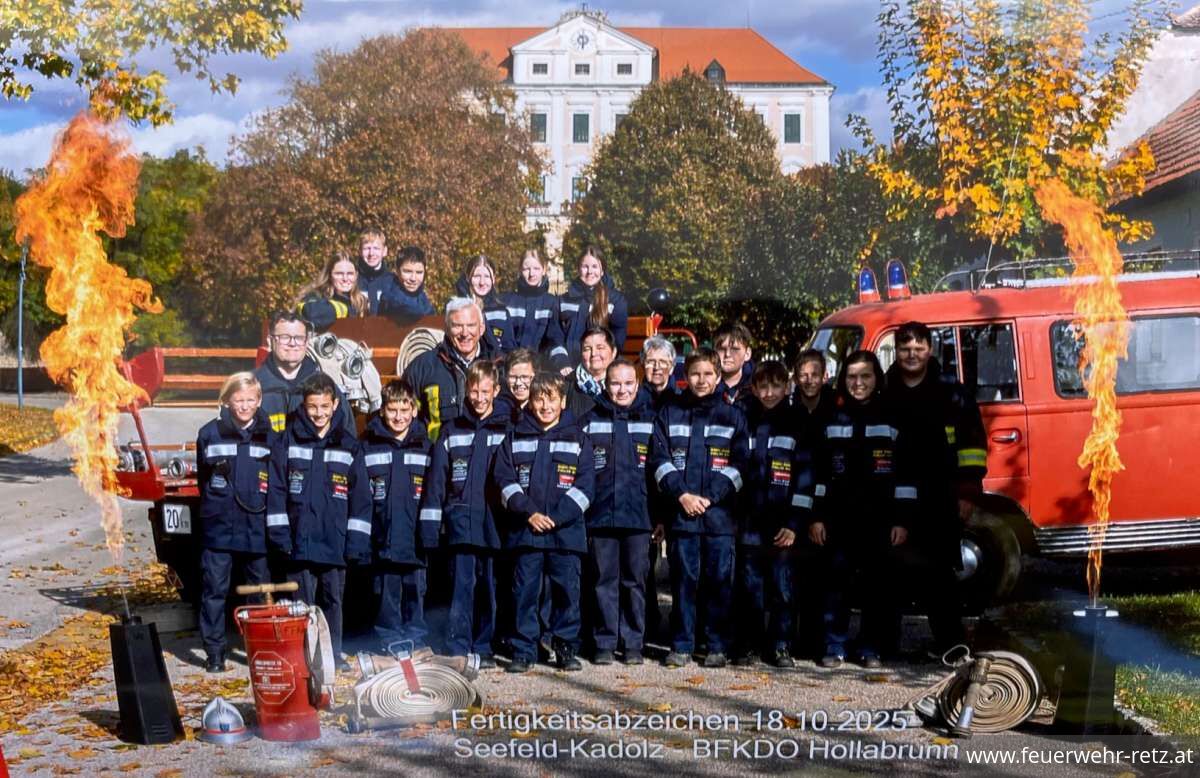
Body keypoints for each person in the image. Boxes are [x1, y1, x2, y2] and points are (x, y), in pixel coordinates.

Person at [882, 321, 988, 657]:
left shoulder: (951, 392)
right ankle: (885, 646)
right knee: (890, 570)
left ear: (930, 349)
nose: (912, 355)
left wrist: (968, 492)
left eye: (918, 348)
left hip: (939, 496)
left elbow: (972, 444)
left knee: (940, 573)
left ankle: (951, 645)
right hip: (893, 497)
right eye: (904, 349)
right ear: (896, 352)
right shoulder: (884, 391)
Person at [807, 350, 917, 669]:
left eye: (865, 376)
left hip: (880, 520)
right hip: (838, 519)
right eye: (852, 377)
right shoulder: (831, 419)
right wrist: (815, 517)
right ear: (843, 380)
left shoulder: (892, 418)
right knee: (835, 586)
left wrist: (902, 520)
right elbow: (817, 473)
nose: (858, 383)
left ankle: (871, 648)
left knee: (876, 587)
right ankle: (834, 646)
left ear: (876, 379)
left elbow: (905, 475)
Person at [650, 347, 749, 668]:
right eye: (695, 373)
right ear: (684, 376)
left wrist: (713, 496)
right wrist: (682, 495)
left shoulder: (733, 416)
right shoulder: (669, 413)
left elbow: (742, 465)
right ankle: (681, 644)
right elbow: (659, 461)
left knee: (719, 582)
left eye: (708, 374)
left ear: (718, 376)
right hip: (682, 517)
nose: (701, 380)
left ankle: (716, 645)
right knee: (683, 582)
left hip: (719, 518)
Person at [267, 373, 370, 670]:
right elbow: (276, 491)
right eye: (313, 407)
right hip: (299, 541)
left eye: (325, 407)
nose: (319, 414)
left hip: (335, 542)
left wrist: (355, 543)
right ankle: (303, 655)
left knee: (333, 602)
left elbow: (360, 499)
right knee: (301, 605)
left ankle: (333, 654)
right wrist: (280, 536)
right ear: (304, 405)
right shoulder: (288, 440)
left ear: (336, 404)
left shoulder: (349, 446)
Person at [493, 373, 595, 673]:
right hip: (527, 533)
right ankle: (524, 649)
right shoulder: (515, 437)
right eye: (539, 398)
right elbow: (504, 480)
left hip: (567, 533)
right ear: (531, 401)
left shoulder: (578, 438)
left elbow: (586, 486)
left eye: (551, 398)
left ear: (562, 401)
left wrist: (558, 517)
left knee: (567, 593)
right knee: (524, 593)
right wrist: (529, 513)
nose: (545, 405)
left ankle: (565, 648)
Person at [420, 360, 510, 665]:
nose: (480, 398)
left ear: (496, 390)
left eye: (486, 391)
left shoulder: (507, 429)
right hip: (460, 523)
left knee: (489, 589)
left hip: (494, 525)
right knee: (461, 588)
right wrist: (431, 529)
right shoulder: (450, 430)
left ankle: (483, 647)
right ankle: (458, 646)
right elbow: (435, 484)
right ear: (465, 391)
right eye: (474, 391)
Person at [195, 372, 277, 673]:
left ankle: (260, 650)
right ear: (227, 400)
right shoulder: (208, 434)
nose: (244, 406)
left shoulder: (270, 437)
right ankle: (214, 653)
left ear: (259, 401)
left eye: (250, 400)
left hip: (256, 527)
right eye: (238, 399)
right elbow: (204, 479)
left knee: (259, 593)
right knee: (214, 591)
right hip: (219, 529)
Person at [580, 358, 655, 665]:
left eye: (627, 383)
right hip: (601, 516)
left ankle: (634, 642)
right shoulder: (588, 420)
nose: (621, 390)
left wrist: (659, 516)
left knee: (635, 581)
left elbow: (656, 471)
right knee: (603, 580)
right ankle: (605, 641)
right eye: (615, 383)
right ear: (604, 385)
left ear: (636, 385)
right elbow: (581, 472)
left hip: (639, 516)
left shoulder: (651, 420)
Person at [732, 361, 802, 668]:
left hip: (782, 525)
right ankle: (750, 645)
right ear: (754, 388)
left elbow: (806, 478)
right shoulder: (743, 419)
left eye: (776, 386)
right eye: (763, 387)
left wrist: (794, 523)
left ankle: (781, 645)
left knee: (783, 589)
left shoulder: (797, 421)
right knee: (750, 589)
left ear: (787, 387)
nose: (769, 393)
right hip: (749, 523)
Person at [361, 379, 435, 652]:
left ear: (415, 410)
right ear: (382, 411)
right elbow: (362, 495)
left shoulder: (426, 446)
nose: (398, 417)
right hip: (384, 533)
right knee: (387, 592)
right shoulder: (368, 446)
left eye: (405, 410)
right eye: (392, 410)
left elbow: (433, 492)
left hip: (415, 536)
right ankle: (389, 639)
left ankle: (415, 637)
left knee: (416, 589)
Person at [403, 298, 498, 442]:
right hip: (437, 457)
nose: (465, 333)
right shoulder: (422, 368)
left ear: (482, 328)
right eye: (457, 326)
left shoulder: (498, 365)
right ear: (447, 329)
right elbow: (404, 416)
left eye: (471, 325)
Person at [254, 311, 355, 437]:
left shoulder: (326, 385)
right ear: (270, 340)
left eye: (299, 338)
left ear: (307, 342)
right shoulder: (252, 386)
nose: (292, 343)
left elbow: (347, 436)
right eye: (285, 337)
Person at [638, 336, 678, 641]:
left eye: (663, 362)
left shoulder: (680, 403)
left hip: (677, 497)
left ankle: (678, 629)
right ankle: (648, 628)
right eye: (650, 361)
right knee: (644, 568)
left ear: (672, 365)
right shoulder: (634, 400)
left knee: (678, 568)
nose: (656, 367)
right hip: (644, 497)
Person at [559, 246, 628, 364]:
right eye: (585, 267)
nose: (590, 271)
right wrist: (562, 362)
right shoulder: (564, 300)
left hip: (601, 366)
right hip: (569, 366)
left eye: (595, 267)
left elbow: (618, 339)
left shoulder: (616, 300)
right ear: (578, 269)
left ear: (602, 271)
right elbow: (556, 336)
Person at [505, 249, 569, 373]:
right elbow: (505, 341)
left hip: (541, 371)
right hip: (512, 370)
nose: (531, 274)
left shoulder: (552, 303)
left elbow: (555, 339)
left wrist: (562, 362)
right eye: (526, 269)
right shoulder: (508, 302)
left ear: (544, 270)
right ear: (520, 270)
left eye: (536, 268)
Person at [297, 251, 369, 331]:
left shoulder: (362, 302)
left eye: (350, 274)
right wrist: (347, 309)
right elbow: (312, 314)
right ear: (330, 275)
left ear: (356, 276)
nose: (345, 279)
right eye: (339, 274)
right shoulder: (315, 296)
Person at [456, 254, 514, 352]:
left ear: (493, 279)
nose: (482, 282)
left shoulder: (501, 312)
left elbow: (509, 348)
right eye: (477, 276)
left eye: (487, 276)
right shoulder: (456, 308)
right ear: (467, 277)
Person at [564, 327, 616, 419]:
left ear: (614, 352)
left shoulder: (624, 385)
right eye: (587, 349)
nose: (594, 354)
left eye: (600, 348)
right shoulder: (567, 384)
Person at [380, 245, 437, 322]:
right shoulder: (390, 292)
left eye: (419, 272)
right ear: (397, 271)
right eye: (407, 271)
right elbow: (406, 309)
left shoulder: (422, 297)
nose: (413, 278)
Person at [713, 322, 754, 409]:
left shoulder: (759, 385)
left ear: (747, 354)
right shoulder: (704, 384)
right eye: (721, 349)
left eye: (734, 349)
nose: (727, 354)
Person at [356, 230, 395, 316]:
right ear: (359, 251)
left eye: (376, 248)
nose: (371, 253)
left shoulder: (393, 281)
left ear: (384, 251)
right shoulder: (352, 280)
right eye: (366, 248)